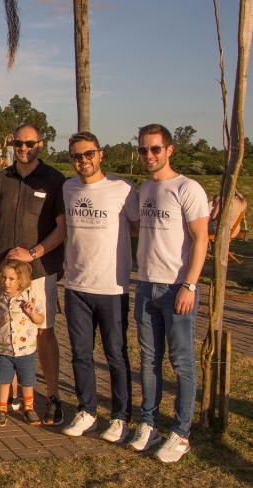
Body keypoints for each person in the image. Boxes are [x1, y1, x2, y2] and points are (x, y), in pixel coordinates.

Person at [129, 124, 209, 463]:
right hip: (146, 285)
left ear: (169, 150)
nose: (149, 155)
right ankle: (148, 423)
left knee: (181, 362)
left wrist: (189, 284)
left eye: (155, 149)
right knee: (148, 360)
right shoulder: (145, 189)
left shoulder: (187, 188)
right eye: (144, 150)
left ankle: (180, 433)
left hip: (177, 287)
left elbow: (201, 238)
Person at [0, 123, 66, 426]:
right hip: (5, 274)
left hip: (39, 272)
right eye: (18, 144)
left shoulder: (55, 180)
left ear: (40, 144)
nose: (24, 149)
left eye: (30, 144)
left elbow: (62, 227)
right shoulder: (0, 179)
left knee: (42, 331)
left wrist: (35, 253)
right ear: (11, 144)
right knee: (6, 329)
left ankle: (53, 396)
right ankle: (11, 396)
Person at [59, 132, 137, 443]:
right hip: (76, 285)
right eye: (77, 156)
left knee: (116, 355)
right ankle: (87, 411)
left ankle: (120, 417)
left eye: (88, 154)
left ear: (100, 154)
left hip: (112, 287)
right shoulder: (68, 187)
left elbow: (140, 227)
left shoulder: (122, 189)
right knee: (80, 354)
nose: (83, 161)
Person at [0, 259, 45, 426]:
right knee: (3, 380)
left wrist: (31, 313)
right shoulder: (1, 296)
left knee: (27, 381)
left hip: (25, 349)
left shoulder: (29, 296)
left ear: (21, 279)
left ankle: (29, 408)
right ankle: (2, 409)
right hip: (4, 349)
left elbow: (40, 318)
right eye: (4, 277)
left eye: (11, 279)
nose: (6, 282)